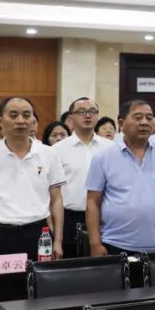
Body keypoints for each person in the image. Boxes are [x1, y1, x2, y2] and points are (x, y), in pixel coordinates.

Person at [86, 99, 155, 254]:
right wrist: (95, 244)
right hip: (114, 244)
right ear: (121, 123)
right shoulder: (103, 158)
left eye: (149, 118)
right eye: (138, 117)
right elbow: (92, 202)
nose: (144, 122)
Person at [0, 97, 66, 259]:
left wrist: (58, 241)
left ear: (33, 121)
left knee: (36, 276)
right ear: (1, 121)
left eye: (26, 115)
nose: (20, 120)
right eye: (13, 115)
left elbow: (56, 199)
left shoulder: (48, 154)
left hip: (38, 233)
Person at [52, 97, 112, 257]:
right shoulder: (57, 150)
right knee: (71, 264)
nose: (88, 115)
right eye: (81, 112)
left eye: (92, 111)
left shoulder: (110, 148)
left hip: (104, 217)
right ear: (70, 118)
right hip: (69, 218)